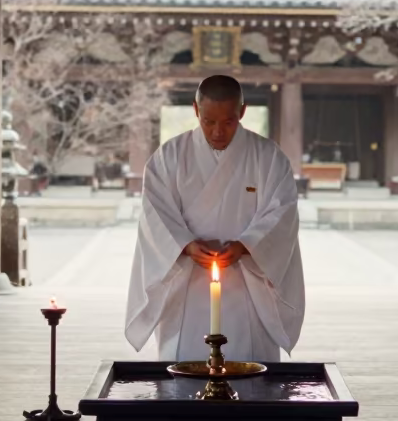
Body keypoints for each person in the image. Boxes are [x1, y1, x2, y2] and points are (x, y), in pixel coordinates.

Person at [125, 75, 305, 363]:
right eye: (209, 121)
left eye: (228, 122)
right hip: (186, 278)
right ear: (196, 111)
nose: (218, 131)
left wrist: (247, 245)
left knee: (250, 371)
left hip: (247, 279)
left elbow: (282, 212)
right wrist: (185, 245)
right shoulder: (169, 157)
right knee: (183, 370)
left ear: (242, 112)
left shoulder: (268, 157)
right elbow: (154, 213)